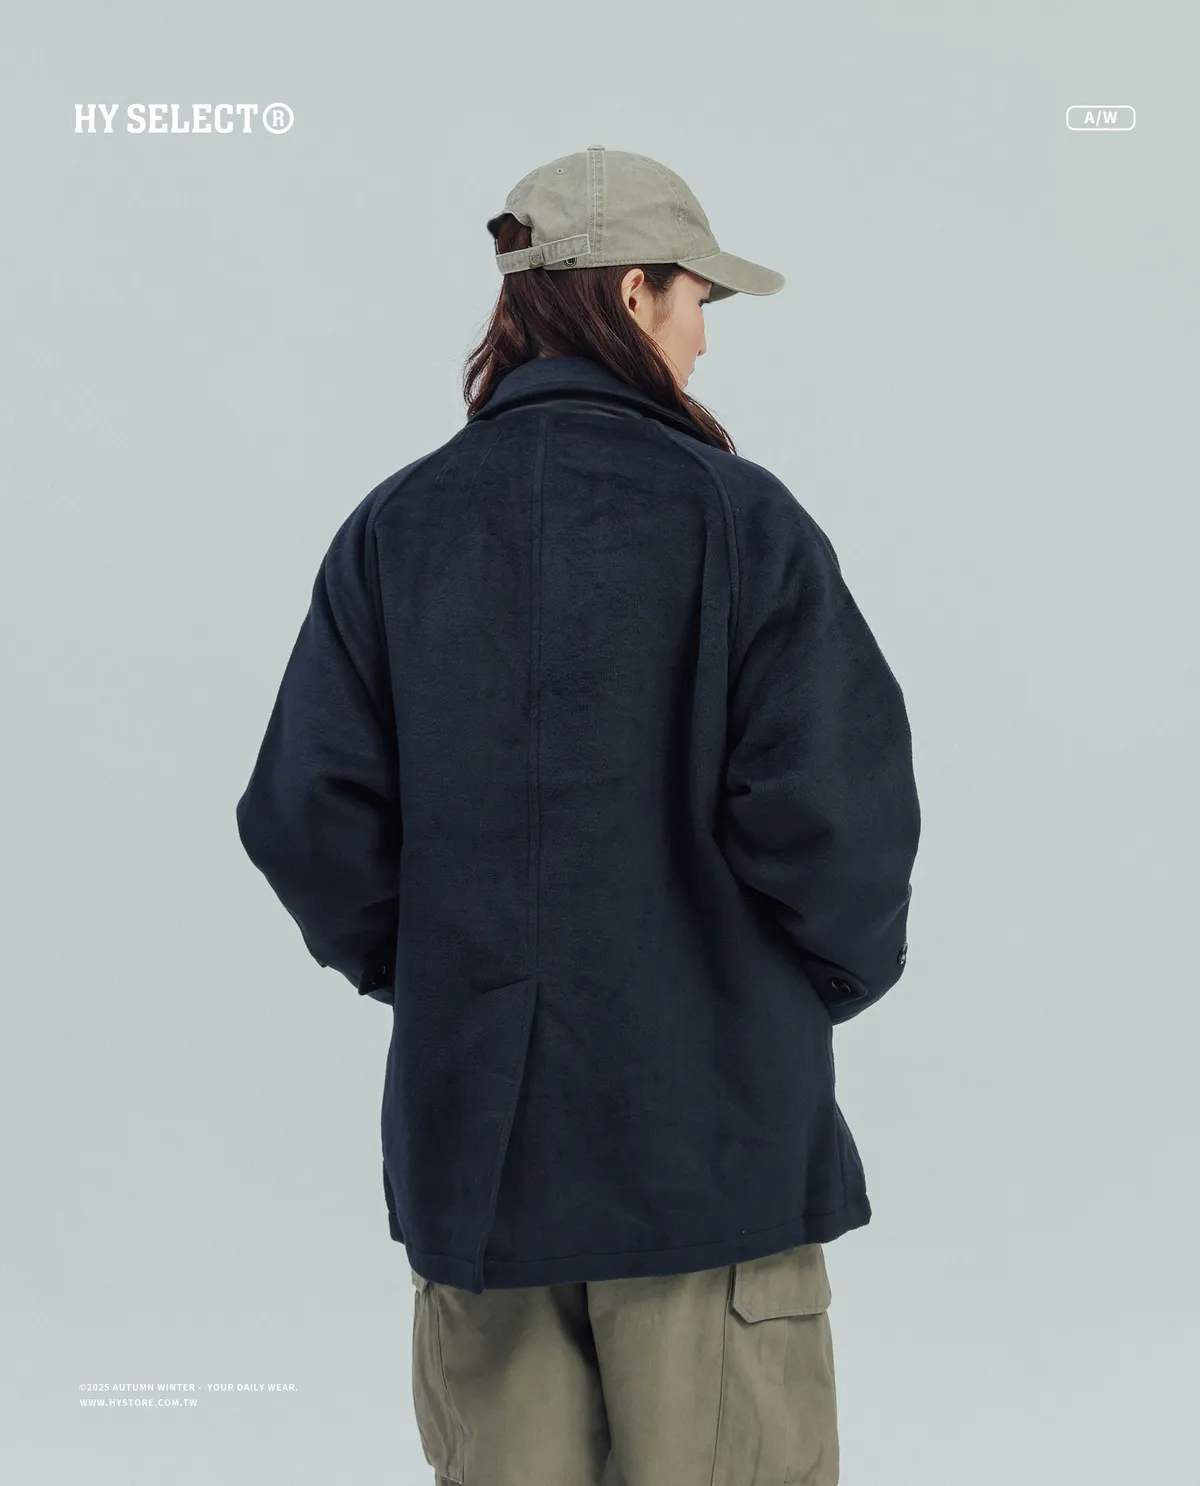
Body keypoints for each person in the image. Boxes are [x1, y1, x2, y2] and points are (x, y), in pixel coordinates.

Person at [235, 146, 921, 1486]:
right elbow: (839, 817)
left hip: (481, 1158)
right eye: (697, 298)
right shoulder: (741, 519)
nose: (704, 335)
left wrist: (444, 971)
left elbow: (308, 814)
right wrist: (791, 995)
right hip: (711, 1154)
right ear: (629, 292)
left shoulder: (396, 529)